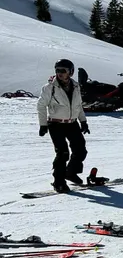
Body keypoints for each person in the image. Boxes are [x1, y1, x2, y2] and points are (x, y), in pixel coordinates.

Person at [37, 59, 89, 193]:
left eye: (63, 70)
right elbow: (41, 105)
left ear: (70, 72)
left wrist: (83, 121)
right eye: (57, 70)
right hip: (56, 124)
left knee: (80, 150)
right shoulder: (50, 88)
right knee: (63, 153)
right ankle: (58, 182)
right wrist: (43, 124)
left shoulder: (76, 86)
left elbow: (78, 105)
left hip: (72, 123)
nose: (60, 73)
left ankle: (70, 172)